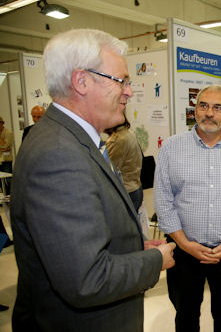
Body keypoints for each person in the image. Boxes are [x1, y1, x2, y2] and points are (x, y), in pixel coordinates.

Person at [10, 29, 176, 331]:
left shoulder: (72, 141)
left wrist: (134, 245)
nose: (128, 91)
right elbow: (87, 279)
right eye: (121, 81)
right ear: (81, 81)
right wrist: (154, 260)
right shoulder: (59, 154)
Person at [154, 84, 221, 332]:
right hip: (184, 253)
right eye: (203, 105)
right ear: (194, 110)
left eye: (217, 107)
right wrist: (184, 244)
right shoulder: (171, 148)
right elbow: (164, 202)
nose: (209, 113)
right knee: (186, 317)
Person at [105, 113, 143, 212]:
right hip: (135, 187)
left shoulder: (117, 140)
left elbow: (107, 170)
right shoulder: (128, 133)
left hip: (126, 191)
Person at [0, 116, 14, 195]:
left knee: (7, 179)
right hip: (0, 158)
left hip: (6, 159)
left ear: (2, 123)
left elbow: (5, 146)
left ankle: (9, 196)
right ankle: (3, 195)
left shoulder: (8, 133)